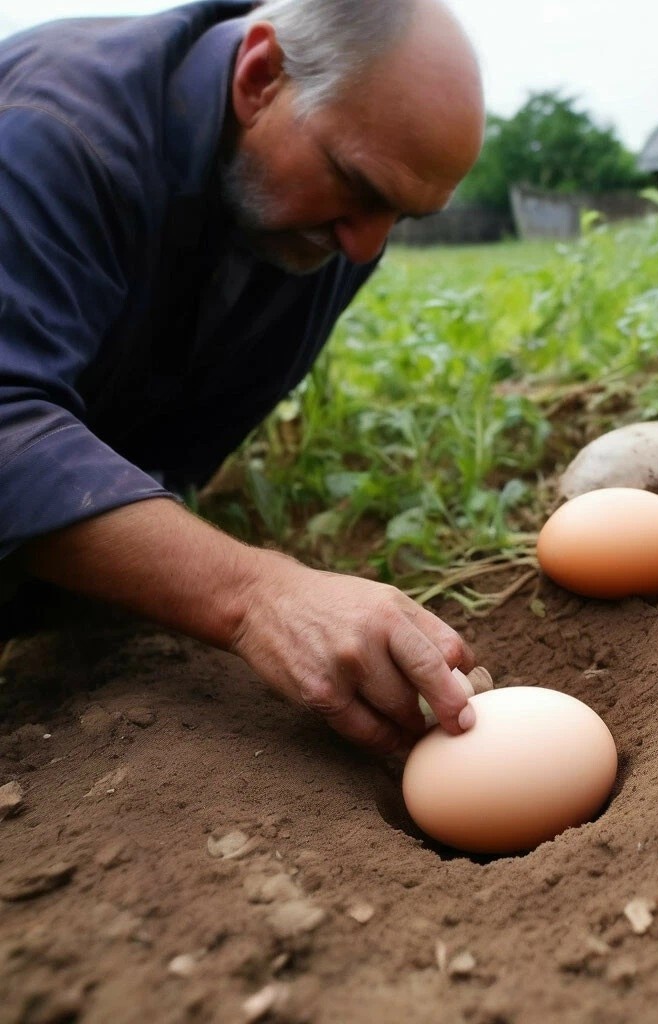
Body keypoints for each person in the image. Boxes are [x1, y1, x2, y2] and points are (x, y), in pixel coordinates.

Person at [0, 0, 486, 755]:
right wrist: (259, 594)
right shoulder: (57, 135)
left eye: (402, 216)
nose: (366, 248)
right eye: (359, 184)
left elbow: (177, 435)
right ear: (260, 77)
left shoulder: (328, 224)